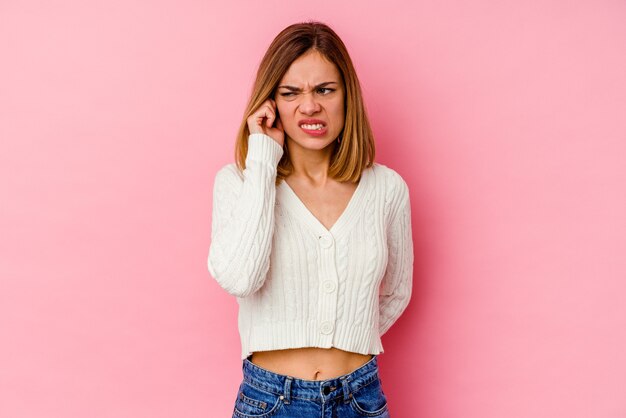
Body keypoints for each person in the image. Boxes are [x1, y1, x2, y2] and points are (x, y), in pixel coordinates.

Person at [208, 20, 414, 418]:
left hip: (360, 398)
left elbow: (396, 294)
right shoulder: (239, 182)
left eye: (324, 90)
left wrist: (343, 338)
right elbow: (239, 278)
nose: (309, 106)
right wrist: (263, 159)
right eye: (290, 93)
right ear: (271, 103)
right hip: (270, 401)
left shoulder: (387, 189)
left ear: (346, 96)